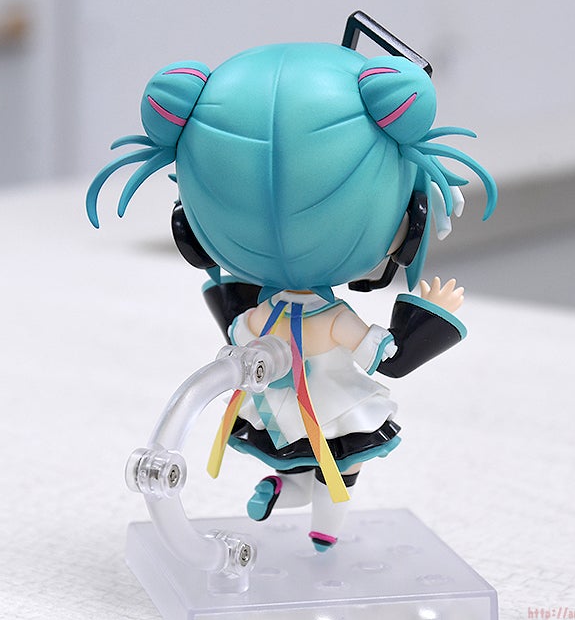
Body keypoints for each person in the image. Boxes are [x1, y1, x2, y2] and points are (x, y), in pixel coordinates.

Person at [87, 40, 497, 552]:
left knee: (299, 453)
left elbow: (237, 333)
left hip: (279, 403)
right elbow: (388, 358)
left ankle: (287, 489)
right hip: (330, 405)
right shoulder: (333, 320)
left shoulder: (261, 314)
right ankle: (322, 525)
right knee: (339, 468)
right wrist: (430, 318)